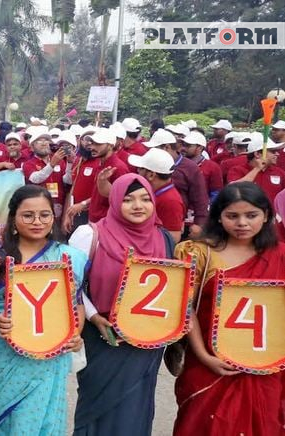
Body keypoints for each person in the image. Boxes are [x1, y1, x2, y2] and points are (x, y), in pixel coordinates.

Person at [0, 185, 88, 435]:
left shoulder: (68, 256)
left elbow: (75, 303)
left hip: (50, 355)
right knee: (3, 420)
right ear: (14, 217)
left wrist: (74, 334)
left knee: (43, 420)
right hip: (2, 352)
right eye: (28, 215)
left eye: (44, 215)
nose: (37, 221)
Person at [172, 182, 285, 435]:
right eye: (232, 216)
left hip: (267, 363)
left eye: (251, 215)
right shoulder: (200, 253)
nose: (242, 223)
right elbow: (186, 307)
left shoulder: (280, 255)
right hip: (210, 362)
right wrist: (204, 356)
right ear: (219, 217)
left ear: (266, 215)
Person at [69, 174, 174, 435]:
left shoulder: (164, 239)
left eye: (145, 198)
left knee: (135, 409)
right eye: (128, 199)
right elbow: (71, 287)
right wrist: (93, 317)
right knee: (96, 405)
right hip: (102, 337)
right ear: (114, 201)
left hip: (146, 342)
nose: (138, 205)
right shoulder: (90, 235)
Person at [130, 148, 187, 241]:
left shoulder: (170, 201)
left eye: (140, 169)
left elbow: (173, 237)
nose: (137, 172)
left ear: (151, 175)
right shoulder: (155, 192)